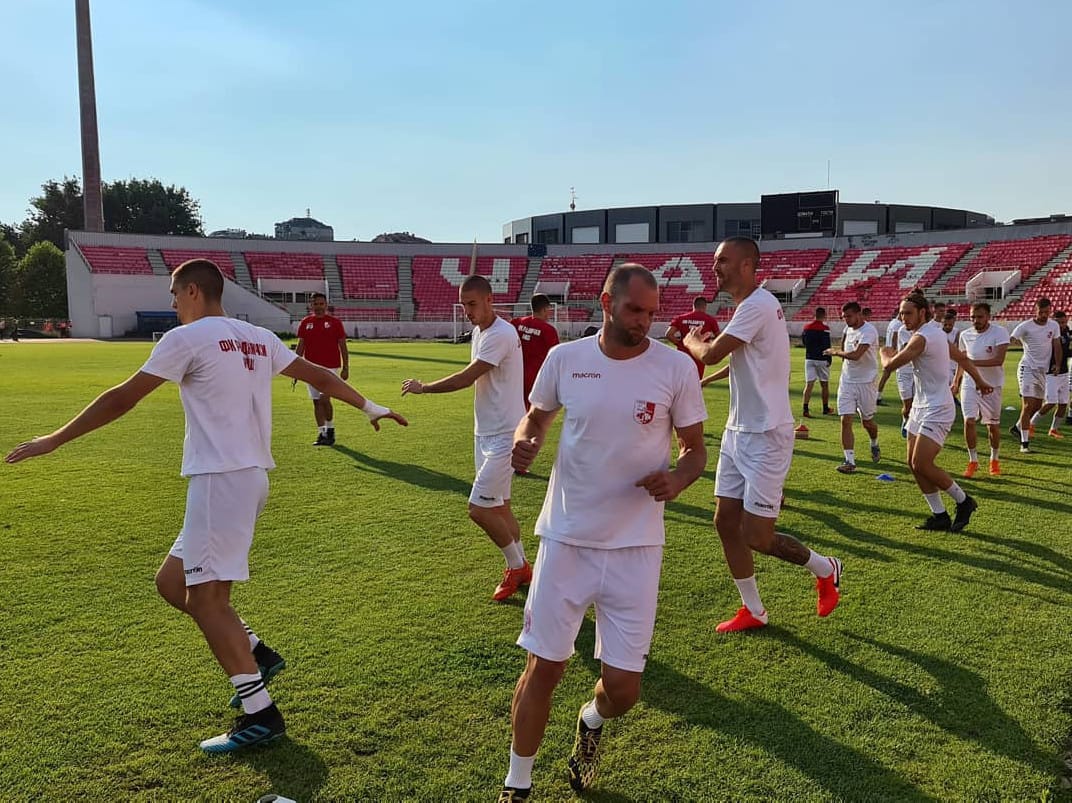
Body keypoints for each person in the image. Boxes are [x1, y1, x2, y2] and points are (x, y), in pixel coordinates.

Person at [4, 259, 407, 753]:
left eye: (175, 294)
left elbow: (122, 398)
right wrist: (369, 406)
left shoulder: (185, 338)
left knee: (206, 601)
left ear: (193, 291)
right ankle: (257, 652)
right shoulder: (257, 335)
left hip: (221, 479)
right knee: (173, 583)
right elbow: (317, 373)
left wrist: (55, 439)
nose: (172, 303)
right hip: (247, 477)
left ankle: (261, 713)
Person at [501, 265, 707, 800]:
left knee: (625, 690)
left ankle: (591, 719)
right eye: (635, 309)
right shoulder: (565, 358)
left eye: (651, 313)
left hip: (637, 547)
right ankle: (516, 784)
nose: (644, 322)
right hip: (566, 537)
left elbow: (695, 450)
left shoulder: (676, 367)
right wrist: (527, 441)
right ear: (606, 301)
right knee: (543, 666)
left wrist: (679, 478)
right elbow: (536, 419)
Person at [683, 237, 842, 634]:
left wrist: (690, 341)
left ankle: (825, 568)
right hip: (739, 431)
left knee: (757, 535)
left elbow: (712, 354)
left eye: (723, 260)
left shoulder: (756, 304)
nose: (715, 266)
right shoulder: (748, 307)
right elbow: (734, 363)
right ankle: (753, 609)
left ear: (748, 265)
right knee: (724, 521)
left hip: (767, 434)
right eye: (715, 259)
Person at [402, 275, 529, 602]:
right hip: (485, 431)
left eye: (472, 304)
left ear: (490, 300)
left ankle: (517, 567)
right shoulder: (480, 331)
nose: (467, 311)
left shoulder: (500, 334)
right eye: (463, 305)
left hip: (505, 434)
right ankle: (524, 566)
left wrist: (424, 387)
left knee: (478, 509)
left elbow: (466, 378)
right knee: (500, 507)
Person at [879, 290, 992, 532]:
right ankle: (939, 515)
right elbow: (962, 358)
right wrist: (980, 381)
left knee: (922, 463)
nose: (903, 318)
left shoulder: (922, 338)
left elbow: (889, 364)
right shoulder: (936, 333)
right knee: (912, 463)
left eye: (908, 313)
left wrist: (883, 352)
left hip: (938, 407)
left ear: (922, 312)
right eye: (900, 314)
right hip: (921, 405)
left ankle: (964, 501)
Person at [954, 303, 1009, 477]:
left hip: (992, 385)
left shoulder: (999, 332)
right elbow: (961, 362)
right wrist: (956, 382)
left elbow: (998, 360)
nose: (975, 320)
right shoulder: (965, 335)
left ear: (988, 317)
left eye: (979, 317)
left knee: (992, 425)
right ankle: (973, 461)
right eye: (972, 317)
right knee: (969, 421)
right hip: (970, 384)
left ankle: (994, 460)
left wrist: (970, 363)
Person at [825, 302, 881, 473]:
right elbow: (845, 347)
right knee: (845, 419)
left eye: (849, 316)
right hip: (847, 381)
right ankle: (849, 461)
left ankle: (874, 443)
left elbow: (856, 355)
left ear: (859, 314)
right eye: (844, 317)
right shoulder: (847, 329)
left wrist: (835, 352)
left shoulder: (869, 331)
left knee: (868, 423)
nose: (846, 320)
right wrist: (842, 356)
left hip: (866, 382)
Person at [295, 292, 349, 446]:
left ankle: (330, 430)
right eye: (315, 304)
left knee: (325, 399)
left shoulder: (335, 323)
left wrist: (345, 367)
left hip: (330, 368)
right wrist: (295, 365)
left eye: (321, 304)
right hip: (310, 368)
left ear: (326, 305)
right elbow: (301, 345)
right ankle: (321, 433)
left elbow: (343, 346)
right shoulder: (306, 322)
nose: (318, 307)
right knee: (316, 402)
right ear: (310, 305)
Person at [1010, 298, 1062, 453]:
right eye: (1041, 312)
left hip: (1042, 371)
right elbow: (1011, 339)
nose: (1044, 315)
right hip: (1027, 368)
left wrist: (1058, 364)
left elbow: (1057, 345)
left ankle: (1018, 428)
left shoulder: (1054, 325)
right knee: (1028, 405)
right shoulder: (1025, 326)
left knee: (1037, 406)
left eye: (1047, 312)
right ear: (1035, 311)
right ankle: (1024, 445)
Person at [511, 293, 560, 407]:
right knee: (531, 417)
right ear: (544, 309)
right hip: (536, 380)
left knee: (515, 412)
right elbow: (556, 358)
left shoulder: (516, 323)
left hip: (514, 376)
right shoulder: (549, 330)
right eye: (548, 309)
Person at [1030, 309, 1070, 438]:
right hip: (1051, 373)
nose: (1062, 325)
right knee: (1051, 402)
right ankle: (1031, 424)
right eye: (1059, 323)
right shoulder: (1049, 335)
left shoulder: (1067, 332)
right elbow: (1061, 352)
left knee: (1063, 404)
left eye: (1064, 322)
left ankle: (1053, 429)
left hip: (1064, 373)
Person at [665, 295, 720, 379]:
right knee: (696, 381)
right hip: (699, 354)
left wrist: (681, 345)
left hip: (683, 354)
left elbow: (668, 334)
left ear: (693, 305)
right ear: (705, 306)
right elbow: (719, 337)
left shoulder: (681, 318)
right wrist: (709, 346)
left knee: (680, 380)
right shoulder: (710, 320)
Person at [882, 311, 915, 438]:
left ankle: (914, 428)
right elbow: (909, 348)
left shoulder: (925, 329)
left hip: (918, 372)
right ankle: (905, 419)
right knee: (907, 405)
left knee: (916, 404)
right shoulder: (903, 330)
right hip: (904, 371)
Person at [801, 307, 833, 417]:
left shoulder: (807, 327)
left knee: (809, 384)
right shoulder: (825, 328)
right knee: (824, 385)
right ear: (824, 315)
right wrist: (829, 358)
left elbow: (804, 342)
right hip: (822, 359)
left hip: (809, 358)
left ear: (814, 315)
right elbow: (827, 345)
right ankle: (825, 408)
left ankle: (805, 408)